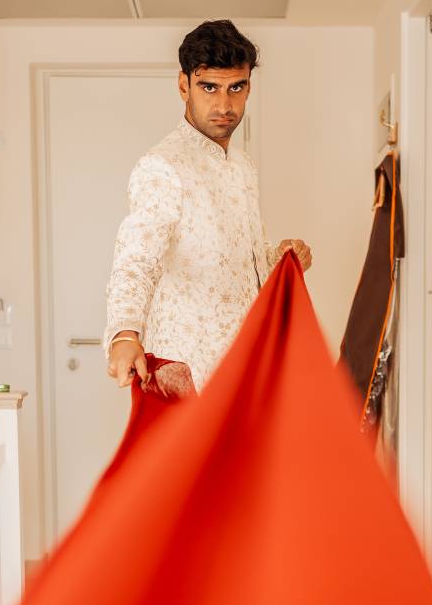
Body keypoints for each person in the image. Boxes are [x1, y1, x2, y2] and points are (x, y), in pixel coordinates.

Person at [105, 19, 312, 391]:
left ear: (249, 86)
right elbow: (136, 260)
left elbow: (242, 263)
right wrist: (124, 333)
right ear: (184, 86)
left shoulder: (244, 167)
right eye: (209, 87)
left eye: (236, 87)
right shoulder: (163, 165)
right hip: (188, 375)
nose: (224, 104)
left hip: (248, 368)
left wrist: (280, 258)